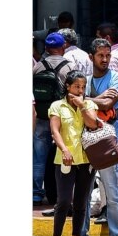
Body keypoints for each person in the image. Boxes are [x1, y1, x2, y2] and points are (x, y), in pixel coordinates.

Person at [80, 38, 118, 236]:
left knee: (113, 192)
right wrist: (96, 98)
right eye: (100, 55)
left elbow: (108, 104)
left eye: (108, 55)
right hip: (86, 143)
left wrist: (84, 99)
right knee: (82, 192)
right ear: (91, 57)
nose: (105, 59)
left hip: (108, 144)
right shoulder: (86, 79)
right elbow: (73, 98)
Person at [48, 70, 100, 236]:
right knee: (63, 201)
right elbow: (55, 131)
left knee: (80, 203)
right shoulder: (57, 106)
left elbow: (94, 124)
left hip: (86, 160)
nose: (80, 90)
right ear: (68, 87)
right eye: (77, 86)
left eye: (83, 87)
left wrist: (82, 105)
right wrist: (64, 149)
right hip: (64, 160)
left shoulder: (89, 104)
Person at [34, 32, 74, 205]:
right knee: (63, 155)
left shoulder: (38, 67)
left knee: (38, 157)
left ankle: (35, 193)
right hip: (61, 117)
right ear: (63, 46)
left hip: (42, 116)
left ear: (48, 48)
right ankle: (61, 194)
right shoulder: (69, 67)